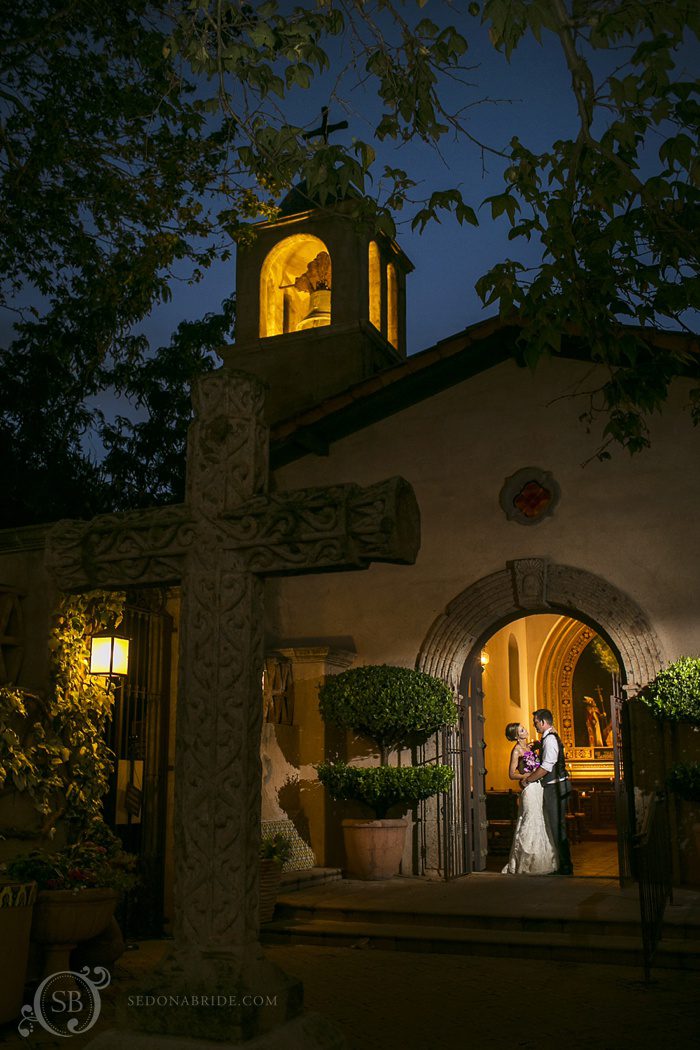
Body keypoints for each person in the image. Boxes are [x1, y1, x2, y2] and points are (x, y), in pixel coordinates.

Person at [521, 708, 574, 876]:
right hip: (555, 786)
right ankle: (561, 863)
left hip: (556, 787)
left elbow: (546, 767)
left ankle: (566, 866)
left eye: (536, 723)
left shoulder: (550, 740)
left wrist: (528, 779)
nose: (535, 726)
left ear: (543, 722)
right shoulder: (549, 738)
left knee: (557, 826)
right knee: (555, 825)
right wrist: (538, 745)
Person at [501, 722, 558, 876]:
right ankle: (526, 861)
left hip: (538, 787)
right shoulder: (517, 750)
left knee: (541, 818)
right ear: (516, 735)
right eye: (522, 730)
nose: (526, 730)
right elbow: (512, 774)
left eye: (524, 728)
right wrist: (527, 776)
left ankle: (543, 859)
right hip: (529, 789)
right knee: (529, 819)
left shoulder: (531, 747)